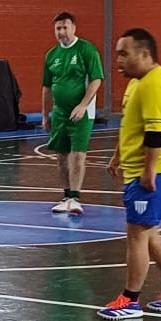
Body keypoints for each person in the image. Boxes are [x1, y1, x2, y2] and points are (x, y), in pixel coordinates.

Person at [98, 28, 161, 320]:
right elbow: (133, 125)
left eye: (124, 53)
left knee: (137, 235)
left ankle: (129, 300)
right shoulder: (137, 83)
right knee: (150, 234)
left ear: (144, 54)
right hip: (144, 169)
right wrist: (118, 155)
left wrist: (149, 172)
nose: (118, 59)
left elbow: (156, 132)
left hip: (157, 171)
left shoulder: (154, 84)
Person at [41, 11, 104, 214]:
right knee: (61, 155)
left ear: (74, 28)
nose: (62, 32)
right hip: (59, 112)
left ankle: (76, 197)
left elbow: (96, 80)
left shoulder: (86, 50)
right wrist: (45, 114)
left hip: (82, 112)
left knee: (78, 155)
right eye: (58, 28)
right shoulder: (51, 55)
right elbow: (47, 87)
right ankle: (66, 195)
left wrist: (83, 104)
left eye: (65, 27)